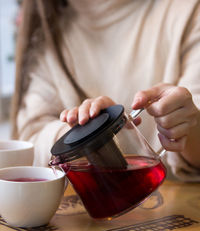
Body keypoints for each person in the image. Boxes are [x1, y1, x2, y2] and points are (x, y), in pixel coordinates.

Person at [11, 0, 200, 181]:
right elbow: (27, 146)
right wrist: (84, 135)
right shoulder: (48, 36)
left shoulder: (188, 12)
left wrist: (188, 126)